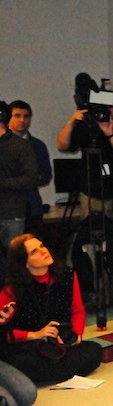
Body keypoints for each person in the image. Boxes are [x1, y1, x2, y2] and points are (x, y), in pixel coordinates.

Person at [0, 234, 102, 383]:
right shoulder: (12, 288)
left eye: (42, 246)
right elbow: (5, 334)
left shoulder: (67, 275)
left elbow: (77, 311)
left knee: (94, 350)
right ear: (24, 262)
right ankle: (59, 372)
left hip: (58, 343)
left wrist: (76, 335)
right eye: (34, 251)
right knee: (23, 361)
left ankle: (50, 373)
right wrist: (35, 334)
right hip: (28, 346)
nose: (43, 251)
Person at [56, 93, 113, 219]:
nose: (106, 111)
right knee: (93, 234)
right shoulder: (85, 128)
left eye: (110, 107)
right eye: (101, 107)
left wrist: (109, 134)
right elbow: (62, 146)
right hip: (91, 191)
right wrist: (71, 122)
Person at [0, 101, 38, 284]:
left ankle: (16, 301)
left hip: (12, 213)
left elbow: (32, 177)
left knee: (14, 262)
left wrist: (3, 184)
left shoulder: (20, 145)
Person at [8, 101, 52, 236]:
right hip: (7, 209)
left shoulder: (38, 145)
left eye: (26, 116)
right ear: (8, 118)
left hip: (32, 207)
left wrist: (29, 180)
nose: (22, 120)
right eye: (17, 116)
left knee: (34, 247)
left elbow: (46, 175)